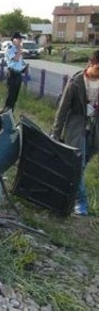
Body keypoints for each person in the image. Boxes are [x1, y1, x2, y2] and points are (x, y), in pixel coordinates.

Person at [51, 50, 99, 216]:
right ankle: (81, 202)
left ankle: (66, 194)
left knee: (79, 167)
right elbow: (62, 110)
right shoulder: (76, 82)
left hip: (94, 131)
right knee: (77, 165)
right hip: (76, 129)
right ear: (91, 64)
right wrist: (55, 133)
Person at [2, 32, 27, 112]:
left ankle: (11, 112)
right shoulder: (10, 48)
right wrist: (19, 49)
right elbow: (15, 59)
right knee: (11, 95)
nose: (20, 41)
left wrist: (23, 67)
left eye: (21, 39)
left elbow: (19, 62)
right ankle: (5, 112)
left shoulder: (18, 49)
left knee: (15, 97)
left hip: (18, 74)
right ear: (14, 40)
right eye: (19, 39)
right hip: (12, 74)